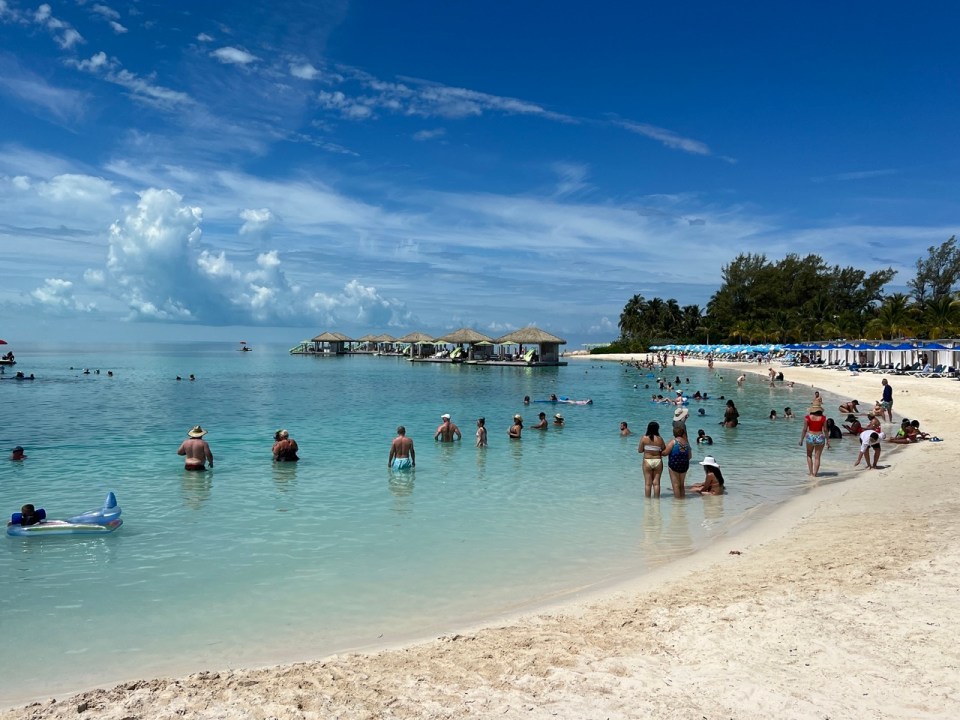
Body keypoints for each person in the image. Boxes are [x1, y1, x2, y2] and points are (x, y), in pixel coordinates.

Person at [638, 421, 667, 498]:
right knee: (656, 483)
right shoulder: (660, 439)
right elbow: (664, 449)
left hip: (647, 460)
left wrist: (647, 449)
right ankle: (657, 501)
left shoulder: (644, 438)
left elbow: (640, 450)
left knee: (648, 484)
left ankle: (647, 502)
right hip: (658, 461)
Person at [799, 405, 830, 477]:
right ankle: (815, 474)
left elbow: (804, 429)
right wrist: (828, 440)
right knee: (817, 457)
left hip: (810, 437)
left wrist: (801, 439)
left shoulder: (807, 418)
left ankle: (811, 473)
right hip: (820, 437)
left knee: (809, 455)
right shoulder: (823, 418)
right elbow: (825, 430)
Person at [662, 423, 691, 498]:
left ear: (674, 433)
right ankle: (683, 500)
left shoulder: (673, 442)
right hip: (684, 464)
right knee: (681, 484)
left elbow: (665, 453)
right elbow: (690, 456)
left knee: (675, 484)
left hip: (674, 464)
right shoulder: (686, 443)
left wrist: (658, 451)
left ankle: (678, 502)